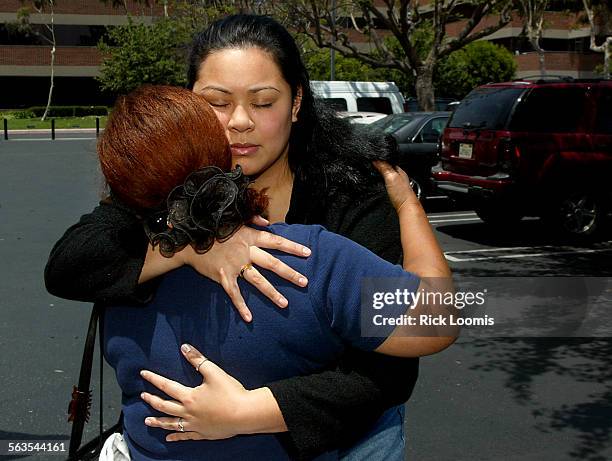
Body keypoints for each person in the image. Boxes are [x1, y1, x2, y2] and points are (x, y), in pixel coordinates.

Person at [45, 14, 434, 460]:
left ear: (295, 102)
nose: (240, 122)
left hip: (346, 444)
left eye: (264, 102)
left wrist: (248, 412)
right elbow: (69, 265)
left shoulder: (349, 199)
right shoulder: (156, 189)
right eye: (218, 102)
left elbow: (396, 365)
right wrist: (189, 248)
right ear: (188, 103)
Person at [99, 84, 453, 461]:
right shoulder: (304, 258)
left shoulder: (118, 274)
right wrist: (407, 205)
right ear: (220, 153)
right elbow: (439, 318)